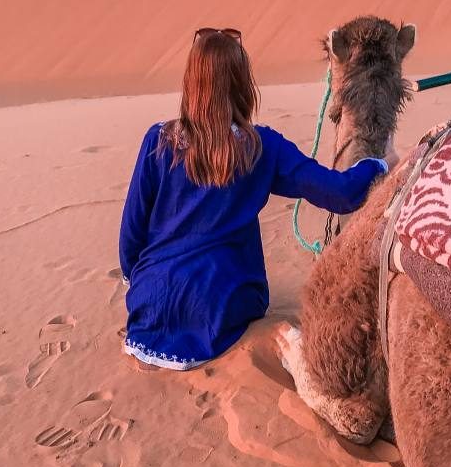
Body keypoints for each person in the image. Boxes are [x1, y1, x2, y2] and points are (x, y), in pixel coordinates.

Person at [118, 27, 388, 370]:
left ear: (191, 82)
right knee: (240, 294)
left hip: (148, 305)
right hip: (217, 307)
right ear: (241, 83)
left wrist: (138, 282)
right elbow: (340, 194)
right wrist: (377, 163)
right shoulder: (262, 147)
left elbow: (132, 231)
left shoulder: (158, 140)